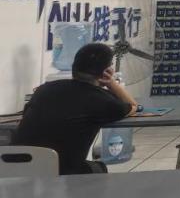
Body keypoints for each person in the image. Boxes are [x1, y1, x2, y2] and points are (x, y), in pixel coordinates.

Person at [12, 43, 138, 174]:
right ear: (106, 72)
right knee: (98, 168)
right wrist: (111, 83)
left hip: (14, 167)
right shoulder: (102, 101)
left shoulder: (44, 89)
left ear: (74, 66)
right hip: (60, 171)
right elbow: (133, 105)